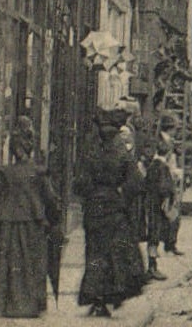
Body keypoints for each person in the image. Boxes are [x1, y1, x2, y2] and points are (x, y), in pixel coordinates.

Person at [0, 117, 61, 318]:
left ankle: (1, 304)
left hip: (7, 222)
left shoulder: (5, 173)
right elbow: (51, 199)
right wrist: (54, 220)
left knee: (5, 263)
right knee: (32, 262)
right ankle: (31, 305)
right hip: (32, 223)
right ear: (31, 148)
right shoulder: (38, 173)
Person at [74, 111, 148, 316]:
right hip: (114, 208)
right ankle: (111, 295)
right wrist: (122, 197)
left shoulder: (90, 153)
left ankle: (96, 297)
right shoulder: (122, 154)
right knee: (115, 253)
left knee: (95, 253)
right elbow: (136, 182)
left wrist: (90, 197)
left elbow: (79, 183)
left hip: (94, 209)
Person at [142, 135, 178, 280]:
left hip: (151, 203)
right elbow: (164, 187)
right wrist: (168, 197)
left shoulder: (153, 165)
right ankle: (152, 267)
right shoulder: (162, 166)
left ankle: (152, 265)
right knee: (154, 234)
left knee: (154, 233)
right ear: (168, 152)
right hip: (157, 205)